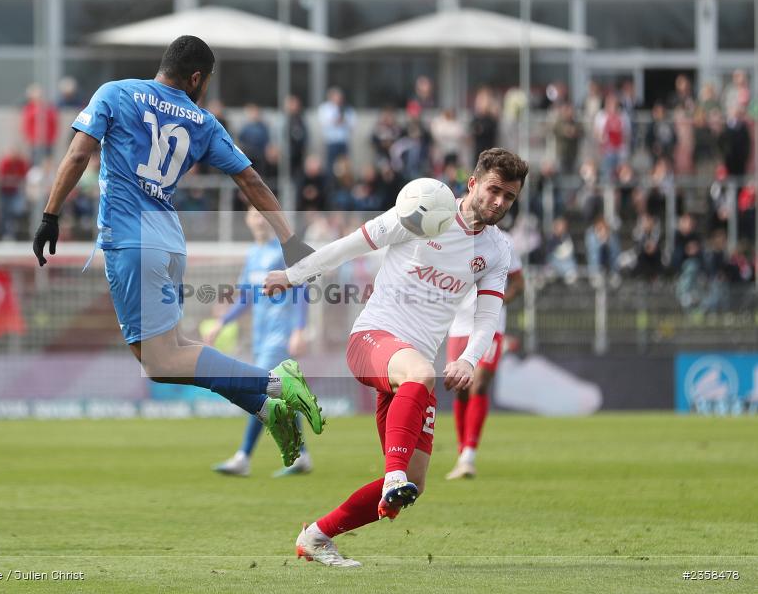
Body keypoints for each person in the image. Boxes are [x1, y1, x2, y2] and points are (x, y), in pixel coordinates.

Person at [32, 35, 323, 467]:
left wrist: (50, 214)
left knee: (158, 360)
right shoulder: (203, 121)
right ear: (196, 78)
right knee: (175, 347)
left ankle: (273, 384)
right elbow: (252, 181)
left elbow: (78, 155)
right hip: (169, 239)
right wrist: (290, 239)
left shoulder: (115, 92)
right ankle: (265, 407)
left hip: (132, 239)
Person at [264, 148, 528, 567]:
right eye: (494, 190)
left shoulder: (497, 249)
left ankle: (316, 536)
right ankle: (393, 475)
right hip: (372, 340)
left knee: (416, 482)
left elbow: (487, 315)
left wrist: (470, 359)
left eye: (509, 197)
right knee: (418, 389)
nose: (499, 202)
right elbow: (349, 246)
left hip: (410, 371)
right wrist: (292, 276)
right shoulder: (423, 208)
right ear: (473, 182)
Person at [210, 207, 313, 477]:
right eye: (254, 214)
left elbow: (301, 287)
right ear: (247, 219)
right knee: (281, 394)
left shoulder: (281, 251)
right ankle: (301, 455)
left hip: (280, 335)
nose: (259, 219)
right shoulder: (253, 256)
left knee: (262, 391)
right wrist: (222, 322)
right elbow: (246, 298)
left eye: (264, 214)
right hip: (261, 336)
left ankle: (243, 456)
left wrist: (299, 329)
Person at [445, 246, 524, 479]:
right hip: (458, 327)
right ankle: (462, 454)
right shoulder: (452, 237)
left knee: (478, 384)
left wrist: (497, 301)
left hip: (490, 327)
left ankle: (469, 455)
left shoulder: (505, 243)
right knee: (460, 388)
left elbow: (519, 283)